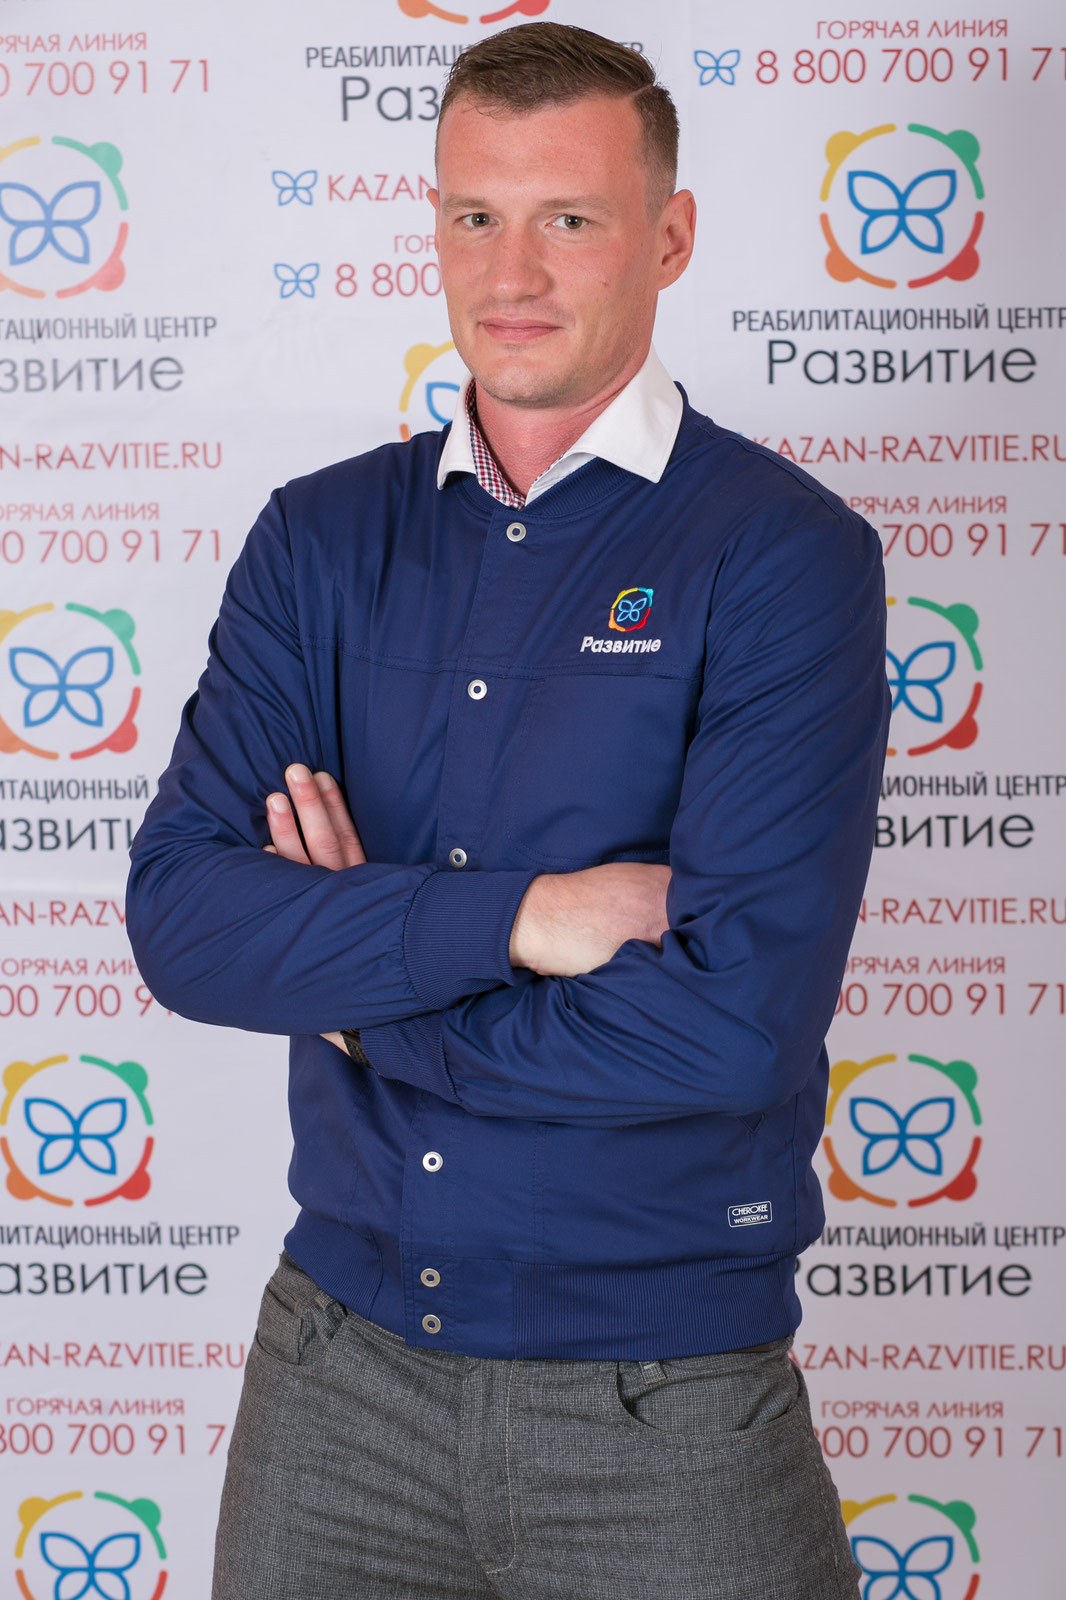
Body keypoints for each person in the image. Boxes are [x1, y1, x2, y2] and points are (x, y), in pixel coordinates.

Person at [127, 22, 888, 1600]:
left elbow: (727, 1030)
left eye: (569, 218)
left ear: (667, 237)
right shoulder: (320, 538)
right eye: (474, 215)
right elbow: (188, 923)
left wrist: (358, 998)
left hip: (662, 1410)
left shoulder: (778, 554)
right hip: (333, 1383)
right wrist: (523, 921)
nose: (510, 272)